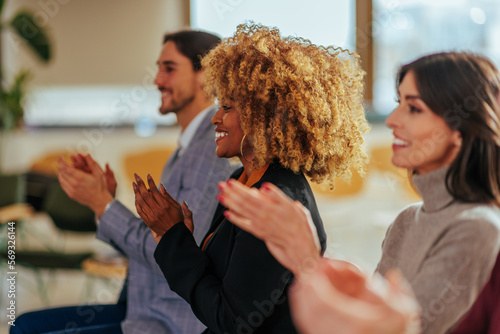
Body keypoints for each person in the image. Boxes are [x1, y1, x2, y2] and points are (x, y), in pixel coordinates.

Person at [218, 51, 500, 334]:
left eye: (413, 108)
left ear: (460, 129)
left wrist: (307, 258)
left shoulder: (477, 228)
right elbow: (366, 314)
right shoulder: (406, 221)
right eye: (398, 103)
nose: (392, 120)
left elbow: (396, 329)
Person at [133, 23, 369, 333]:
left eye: (227, 107)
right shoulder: (241, 181)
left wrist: (174, 239)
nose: (216, 118)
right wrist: (182, 238)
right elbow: (223, 284)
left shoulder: (272, 199)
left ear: (265, 119)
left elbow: (232, 320)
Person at [12, 30, 236, 334]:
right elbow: (163, 236)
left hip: (166, 321)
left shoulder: (211, 149)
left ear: (205, 74)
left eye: (169, 68)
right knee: (25, 324)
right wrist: (104, 198)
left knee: (26, 329)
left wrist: (103, 204)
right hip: (141, 306)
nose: (157, 80)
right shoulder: (187, 147)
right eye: (158, 68)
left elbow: (177, 251)